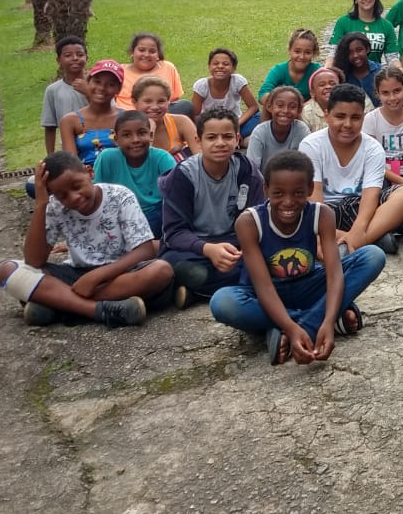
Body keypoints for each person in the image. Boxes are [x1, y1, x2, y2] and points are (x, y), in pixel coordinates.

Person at [209, 151, 385, 363]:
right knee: (222, 302)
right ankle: (305, 321)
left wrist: (327, 323)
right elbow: (263, 287)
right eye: (279, 193)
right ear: (266, 190)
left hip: (308, 285)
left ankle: (302, 325)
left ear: (311, 189)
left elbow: (334, 273)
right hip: (265, 294)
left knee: (373, 256)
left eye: (299, 193)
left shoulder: (322, 214)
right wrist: (292, 328)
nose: (288, 202)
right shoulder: (249, 222)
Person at [0, 152, 171, 328]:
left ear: (90, 173)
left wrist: (96, 276)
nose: (73, 197)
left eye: (77, 186)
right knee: (7, 271)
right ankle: (98, 310)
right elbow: (34, 261)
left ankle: (59, 305)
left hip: (120, 273)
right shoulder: (54, 206)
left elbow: (145, 250)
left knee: (161, 271)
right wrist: (41, 204)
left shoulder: (120, 196)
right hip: (76, 275)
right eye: (62, 195)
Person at [160, 108, 265, 307]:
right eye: (211, 137)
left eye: (227, 137)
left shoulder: (246, 171)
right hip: (193, 250)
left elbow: (257, 218)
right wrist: (207, 249)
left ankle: (196, 293)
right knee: (187, 270)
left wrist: (243, 248)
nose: (220, 143)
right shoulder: (183, 176)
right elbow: (174, 233)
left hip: (235, 247)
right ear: (198, 141)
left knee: (265, 261)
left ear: (237, 139)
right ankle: (240, 286)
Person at [299, 84, 403, 256]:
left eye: (355, 118)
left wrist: (358, 232)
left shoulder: (373, 148)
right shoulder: (311, 145)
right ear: (326, 115)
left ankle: (351, 244)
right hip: (326, 211)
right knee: (298, 215)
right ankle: (374, 238)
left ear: (363, 118)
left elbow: (371, 195)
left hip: (359, 209)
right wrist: (323, 229)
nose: (347, 124)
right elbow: (315, 202)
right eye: (340, 116)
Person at [93, 110, 176, 237]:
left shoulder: (162, 158)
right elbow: (97, 196)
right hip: (120, 217)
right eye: (126, 135)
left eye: (142, 133)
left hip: (156, 215)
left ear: (151, 136)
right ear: (116, 140)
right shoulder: (107, 158)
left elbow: (177, 196)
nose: (135, 140)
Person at [363, 66, 403, 186]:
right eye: (385, 93)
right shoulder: (371, 120)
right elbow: (373, 162)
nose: (392, 98)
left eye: (397, 91)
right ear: (378, 94)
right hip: (379, 175)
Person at [60, 60, 123, 168]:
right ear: (88, 82)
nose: (102, 88)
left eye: (110, 84)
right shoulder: (70, 121)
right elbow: (71, 164)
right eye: (97, 82)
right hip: (84, 179)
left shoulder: (125, 118)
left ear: (118, 89)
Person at [329, 0, 401, 65]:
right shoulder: (343, 22)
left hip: (375, 74)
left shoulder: (386, 25)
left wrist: (400, 71)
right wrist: (325, 71)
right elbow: (333, 54)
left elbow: (392, 58)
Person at [191, 48, 260, 139]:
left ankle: (233, 137)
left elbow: (253, 107)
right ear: (209, 67)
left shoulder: (237, 81)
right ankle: (232, 139)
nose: (220, 66)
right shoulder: (202, 85)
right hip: (210, 125)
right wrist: (209, 128)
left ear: (234, 68)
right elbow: (195, 115)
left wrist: (236, 124)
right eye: (215, 63)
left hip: (235, 123)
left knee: (261, 116)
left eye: (226, 64)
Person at [133, 75, 200, 163]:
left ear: (169, 102)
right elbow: (139, 168)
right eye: (148, 101)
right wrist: (150, 133)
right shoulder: (128, 129)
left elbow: (202, 157)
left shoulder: (181, 122)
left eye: (161, 101)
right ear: (135, 102)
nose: (154, 107)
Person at [41, 36, 89, 154]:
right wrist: (51, 157)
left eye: (80, 54)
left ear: (87, 58)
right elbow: (50, 127)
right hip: (69, 149)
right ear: (59, 60)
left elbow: (108, 110)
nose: (75, 58)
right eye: (68, 55)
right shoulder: (53, 90)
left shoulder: (96, 85)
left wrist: (88, 92)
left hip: (96, 143)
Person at [246, 86, 311, 173]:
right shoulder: (260, 132)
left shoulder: (301, 129)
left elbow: (309, 163)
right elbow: (252, 169)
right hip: (265, 183)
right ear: (269, 107)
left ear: (299, 110)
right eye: (280, 105)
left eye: (292, 107)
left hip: (294, 182)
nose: (286, 110)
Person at [116, 32, 183, 111]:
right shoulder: (119, 71)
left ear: (158, 55)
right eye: (141, 50)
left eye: (152, 51)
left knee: (185, 105)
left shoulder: (167, 67)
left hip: (161, 114)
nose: (147, 54)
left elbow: (174, 99)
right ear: (132, 52)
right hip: (129, 116)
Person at [257, 29, 321, 109]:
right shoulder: (279, 70)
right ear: (289, 50)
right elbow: (263, 94)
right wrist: (283, 106)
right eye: (297, 51)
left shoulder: (317, 71)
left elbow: (323, 96)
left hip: (307, 114)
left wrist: (300, 108)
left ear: (314, 53)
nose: (302, 57)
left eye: (307, 53)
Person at [332, 32, 382, 108]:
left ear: (367, 49)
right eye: (350, 52)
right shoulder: (342, 74)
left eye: (359, 50)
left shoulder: (380, 71)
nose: (355, 55)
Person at [299, 67, 344, 134]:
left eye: (332, 84)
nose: (328, 87)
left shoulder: (346, 107)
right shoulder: (306, 113)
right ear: (312, 93)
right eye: (322, 85)